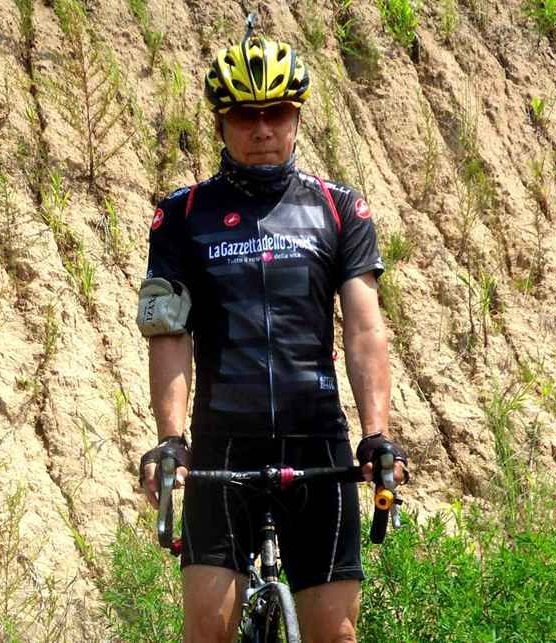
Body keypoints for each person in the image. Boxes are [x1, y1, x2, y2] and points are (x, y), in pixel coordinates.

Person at [135, 18, 409, 643]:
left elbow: (365, 330)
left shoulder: (339, 208)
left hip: (316, 440)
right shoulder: (181, 215)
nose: (261, 129)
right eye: (244, 116)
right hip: (223, 444)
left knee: (336, 636)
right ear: (220, 124)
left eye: (276, 114)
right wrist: (172, 439)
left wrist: (376, 435)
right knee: (206, 632)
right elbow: (169, 334)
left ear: (296, 119)